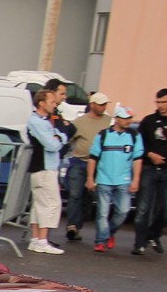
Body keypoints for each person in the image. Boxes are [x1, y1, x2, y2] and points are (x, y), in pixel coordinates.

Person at [86, 106, 142, 252]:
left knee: (123, 211)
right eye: (125, 118)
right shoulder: (103, 135)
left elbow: (137, 159)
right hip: (104, 179)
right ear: (116, 118)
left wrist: (136, 180)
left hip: (124, 180)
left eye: (129, 118)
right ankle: (100, 241)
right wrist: (90, 178)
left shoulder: (134, 136)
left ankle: (109, 233)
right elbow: (93, 157)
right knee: (102, 213)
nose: (128, 121)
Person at [65, 92, 112, 241]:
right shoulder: (80, 122)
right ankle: (72, 226)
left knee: (89, 198)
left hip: (100, 164)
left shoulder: (110, 121)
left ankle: (80, 226)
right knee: (75, 194)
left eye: (105, 104)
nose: (103, 107)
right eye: (100, 104)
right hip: (80, 162)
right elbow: (69, 140)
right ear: (92, 105)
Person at [25, 87, 67, 255]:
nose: (54, 105)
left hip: (45, 167)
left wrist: (58, 138)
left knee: (39, 204)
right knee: (51, 203)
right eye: (52, 102)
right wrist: (58, 139)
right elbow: (52, 144)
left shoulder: (44, 120)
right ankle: (42, 240)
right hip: (44, 167)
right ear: (41, 103)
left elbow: (60, 136)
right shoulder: (36, 121)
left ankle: (36, 239)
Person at [131, 88, 167, 255]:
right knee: (143, 208)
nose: (160, 105)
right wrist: (150, 154)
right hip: (149, 169)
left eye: (164, 102)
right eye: (158, 102)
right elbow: (138, 146)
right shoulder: (148, 121)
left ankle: (153, 234)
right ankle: (139, 243)